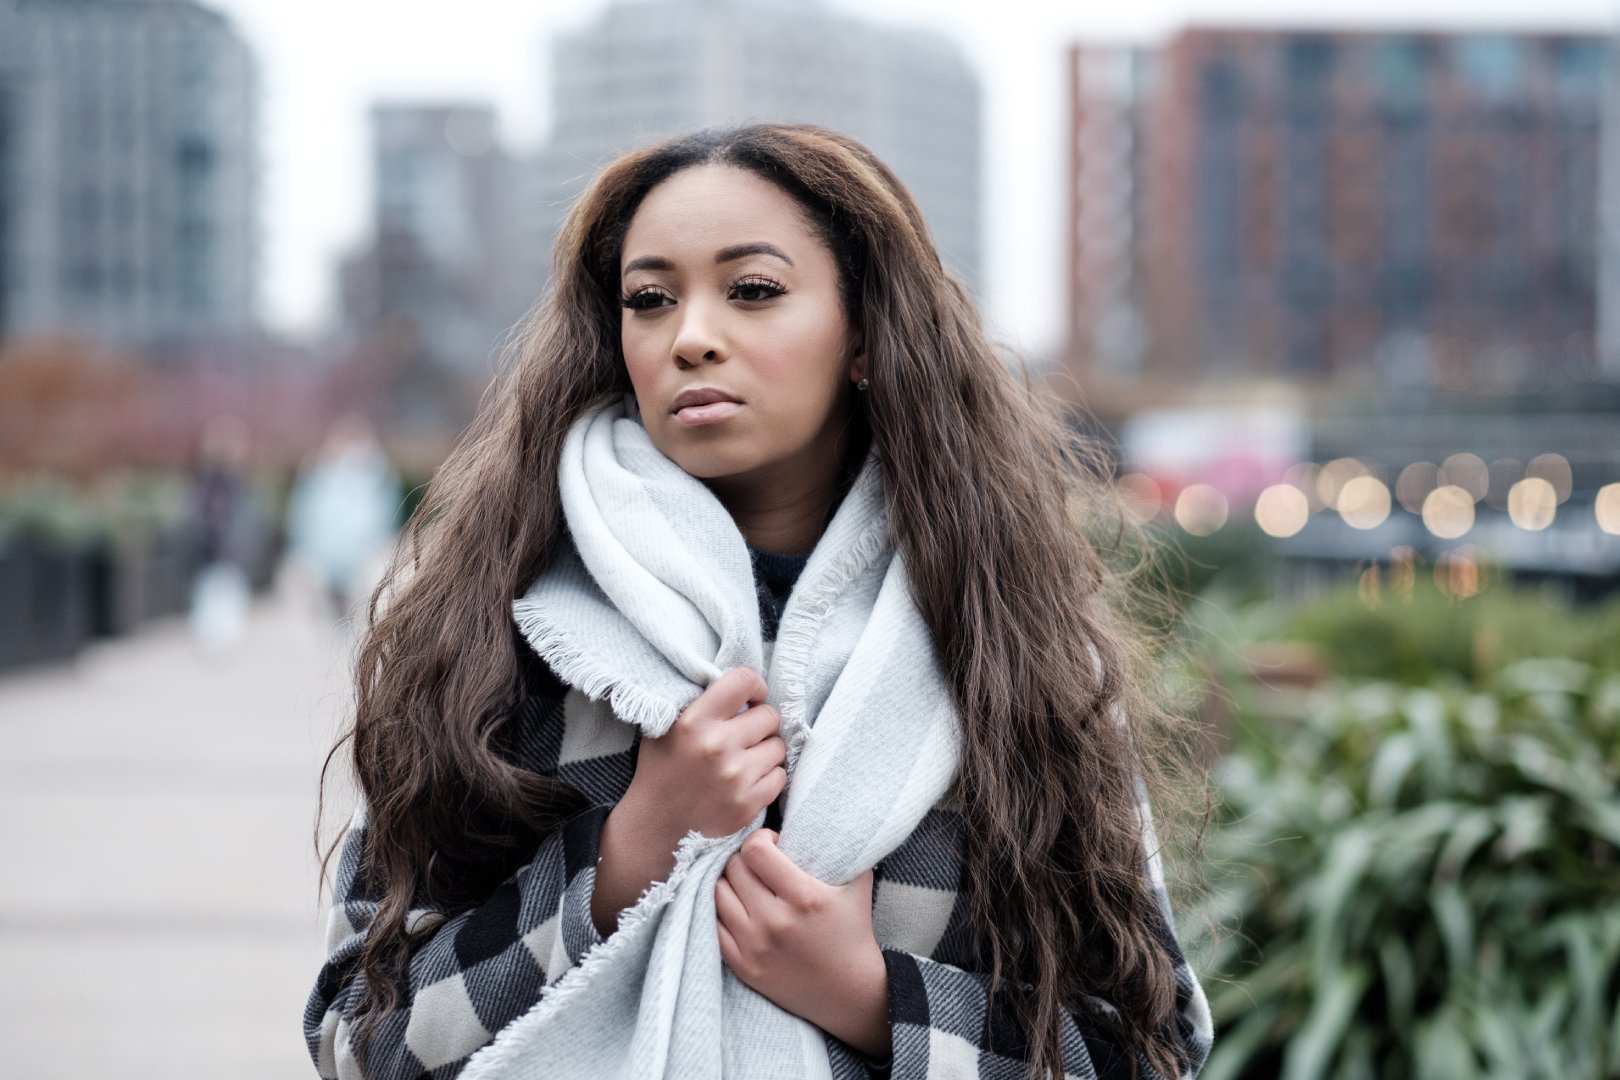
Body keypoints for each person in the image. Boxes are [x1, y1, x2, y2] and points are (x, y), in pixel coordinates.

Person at [305, 123, 1213, 1080]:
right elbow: (356, 1043)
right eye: (650, 300)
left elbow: (1154, 1054)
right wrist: (623, 859)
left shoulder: (1007, 650)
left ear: (863, 332)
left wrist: (875, 1000)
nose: (692, 336)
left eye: (754, 291)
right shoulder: (499, 628)